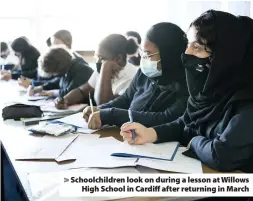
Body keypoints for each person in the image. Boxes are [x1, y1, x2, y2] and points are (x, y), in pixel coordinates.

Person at [120, 10, 253, 173]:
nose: (186, 53)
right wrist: (151, 133)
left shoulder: (247, 103)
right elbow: (186, 123)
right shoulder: (209, 92)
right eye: (188, 45)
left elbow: (221, 155)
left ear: (226, 56)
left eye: (196, 47)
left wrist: (194, 141)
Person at [84, 22, 189, 130]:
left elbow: (165, 118)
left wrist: (110, 115)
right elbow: (125, 99)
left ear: (168, 55)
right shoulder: (144, 73)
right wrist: (98, 110)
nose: (143, 59)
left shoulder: (187, 84)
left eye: (148, 54)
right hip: (129, 137)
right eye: (143, 52)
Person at [55, 34, 138, 109]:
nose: (98, 61)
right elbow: (82, 91)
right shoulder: (101, 69)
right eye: (97, 57)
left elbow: (104, 105)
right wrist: (65, 100)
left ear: (118, 59)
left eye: (101, 58)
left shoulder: (132, 77)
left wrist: (106, 68)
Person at [28, 45, 93, 98]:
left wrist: (50, 93)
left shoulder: (81, 70)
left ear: (59, 67)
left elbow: (70, 93)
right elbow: (56, 82)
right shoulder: (67, 69)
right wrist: (41, 88)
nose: (53, 75)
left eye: (53, 72)